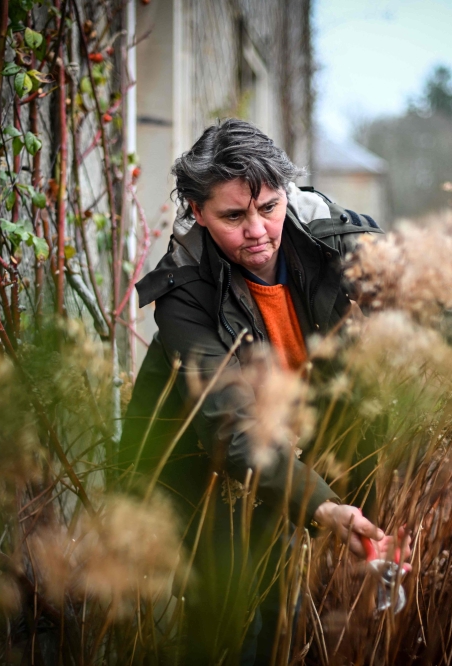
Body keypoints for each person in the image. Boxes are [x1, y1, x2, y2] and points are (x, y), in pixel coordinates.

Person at [120, 119, 404, 664]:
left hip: (306, 450)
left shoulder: (329, 238)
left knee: (322, 617)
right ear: (197, 212)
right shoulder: (185, 293)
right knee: (233, 623)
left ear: (285, 195)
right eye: (233, 216)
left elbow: (420, 286)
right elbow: (234, 430)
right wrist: (323, 507)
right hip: (204, 476)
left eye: (268, 207)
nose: (258, 230)